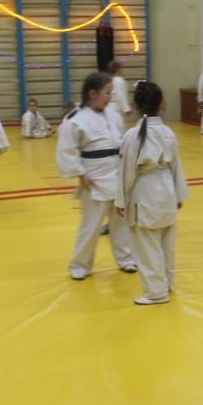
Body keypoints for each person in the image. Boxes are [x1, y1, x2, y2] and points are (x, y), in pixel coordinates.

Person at [57, 72, 137, 280]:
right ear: (92, 94)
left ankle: (126, 258)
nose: (111, 97)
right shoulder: (75, 119)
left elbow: (121, 141)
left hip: (117, 173)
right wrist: (80, 173)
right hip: (94, 177)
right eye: (107, 93)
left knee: (121, 222)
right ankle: (80, 265)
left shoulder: (112, 114)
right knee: (90, 226)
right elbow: (66, 150)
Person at [115, 81, 188, 305]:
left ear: (135, 105)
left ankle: (156, 292)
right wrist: (179, 194)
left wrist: (121, 199)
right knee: (166, 242)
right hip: (166, 188)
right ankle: (167, 282)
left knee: (146, 245)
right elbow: (176, 166)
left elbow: (126, 172)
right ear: (161, 105)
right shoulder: (168, 133)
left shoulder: (133, 136)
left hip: (145, 190)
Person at [106, 60, 132, 136]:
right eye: (121, 68)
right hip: (116, 108)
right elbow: (121, 96)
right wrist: (126, 109)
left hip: (110, 107)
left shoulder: (111, 80)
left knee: (112, 130)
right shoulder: (119, 80)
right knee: (120, 131)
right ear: (117, 69)